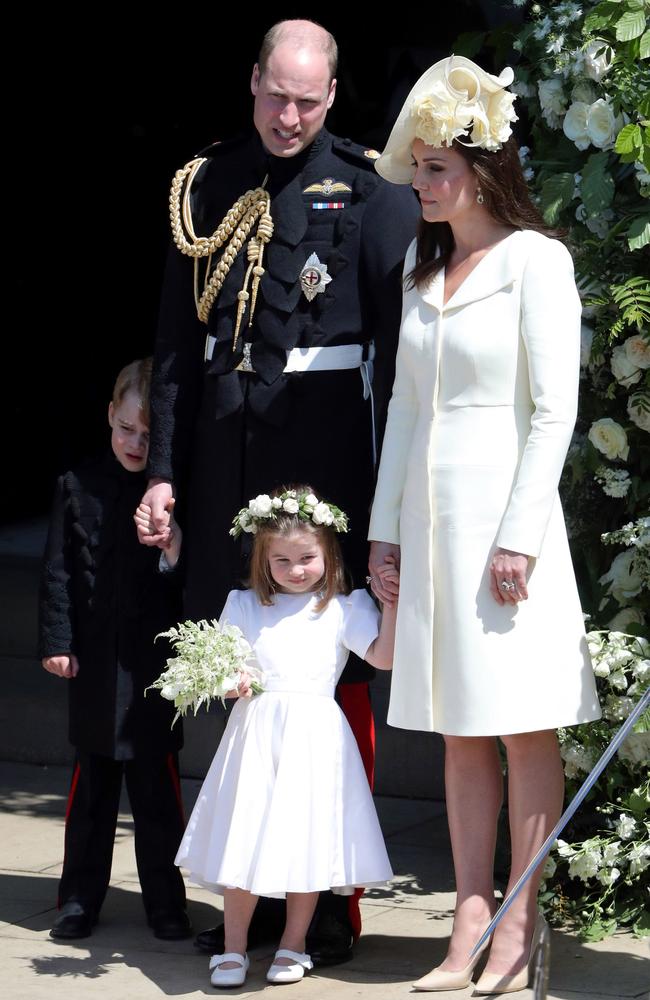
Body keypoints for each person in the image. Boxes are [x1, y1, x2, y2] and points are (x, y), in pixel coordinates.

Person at [137, 18, 419, 962]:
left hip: (325, 464)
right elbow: (178, 347)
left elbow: (406, 350)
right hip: (226, 463)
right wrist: (168, 469)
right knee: (232, 673)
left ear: (332, 96)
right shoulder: (207, 184)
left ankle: (330, 895)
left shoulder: (374, 192)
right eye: (275, 93)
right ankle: (243, 891)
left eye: (307, 99)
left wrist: (393, 500)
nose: (288, 115)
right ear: (252, 80)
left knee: (329, 682)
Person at [367, 56, 601, 995]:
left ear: (483, 169)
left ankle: (517, 921)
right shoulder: (424, 271)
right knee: (461, 731)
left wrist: (520, 536)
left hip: (508, 529)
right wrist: (385, 536)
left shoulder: (535, 261)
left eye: (435, 168)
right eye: (416, 166)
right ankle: (467, 920)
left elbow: (554, 410)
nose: (421, 184)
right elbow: (407, 417)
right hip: (432, 530)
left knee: (519, 729)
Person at [150, 485, 399, 988]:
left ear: (328, 554)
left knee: (304, 841)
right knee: (246, 836)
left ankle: (293, 943)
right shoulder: (243, 604)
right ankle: (234, 945)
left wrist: (392, 604)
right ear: (263, 560)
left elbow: (383, 657)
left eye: (307, 557)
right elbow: (220, 663)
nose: (295, 569)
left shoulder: (344, 608)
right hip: (257, 735)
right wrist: (230, 681)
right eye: (281, 560)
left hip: (314, 738)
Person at [38, 358, 191, 942]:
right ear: (109, 415)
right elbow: (58, 572)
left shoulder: (173, 497)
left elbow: (185, 582)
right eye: (126, 427)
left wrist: (174, 550)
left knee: (157, 792)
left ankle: (165, 902)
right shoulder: (76, 485)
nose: (135, 442)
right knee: (93, 790)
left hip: (153, 664)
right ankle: (78, 898)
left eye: (149, 435)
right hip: (97, 663)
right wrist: (58, 642)